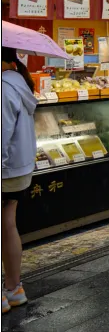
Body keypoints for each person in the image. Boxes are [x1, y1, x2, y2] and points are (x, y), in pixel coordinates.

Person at [2, 47, 36, 313]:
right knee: (7, 225)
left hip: (5, 169)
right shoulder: (20, 84)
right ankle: (14, 290)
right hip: (20, 170)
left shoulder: (3, 88)